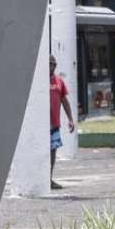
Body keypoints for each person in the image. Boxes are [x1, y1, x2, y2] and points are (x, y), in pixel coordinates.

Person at [49, 55, 75, 190]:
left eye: (53, 64)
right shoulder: (39, 81)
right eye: (49, 63)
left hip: (54, 124)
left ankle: (49, 178)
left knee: (53, 152)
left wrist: (70, 119)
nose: (51, 66)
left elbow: (64, 101)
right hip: (42, 126)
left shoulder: (59, 81)